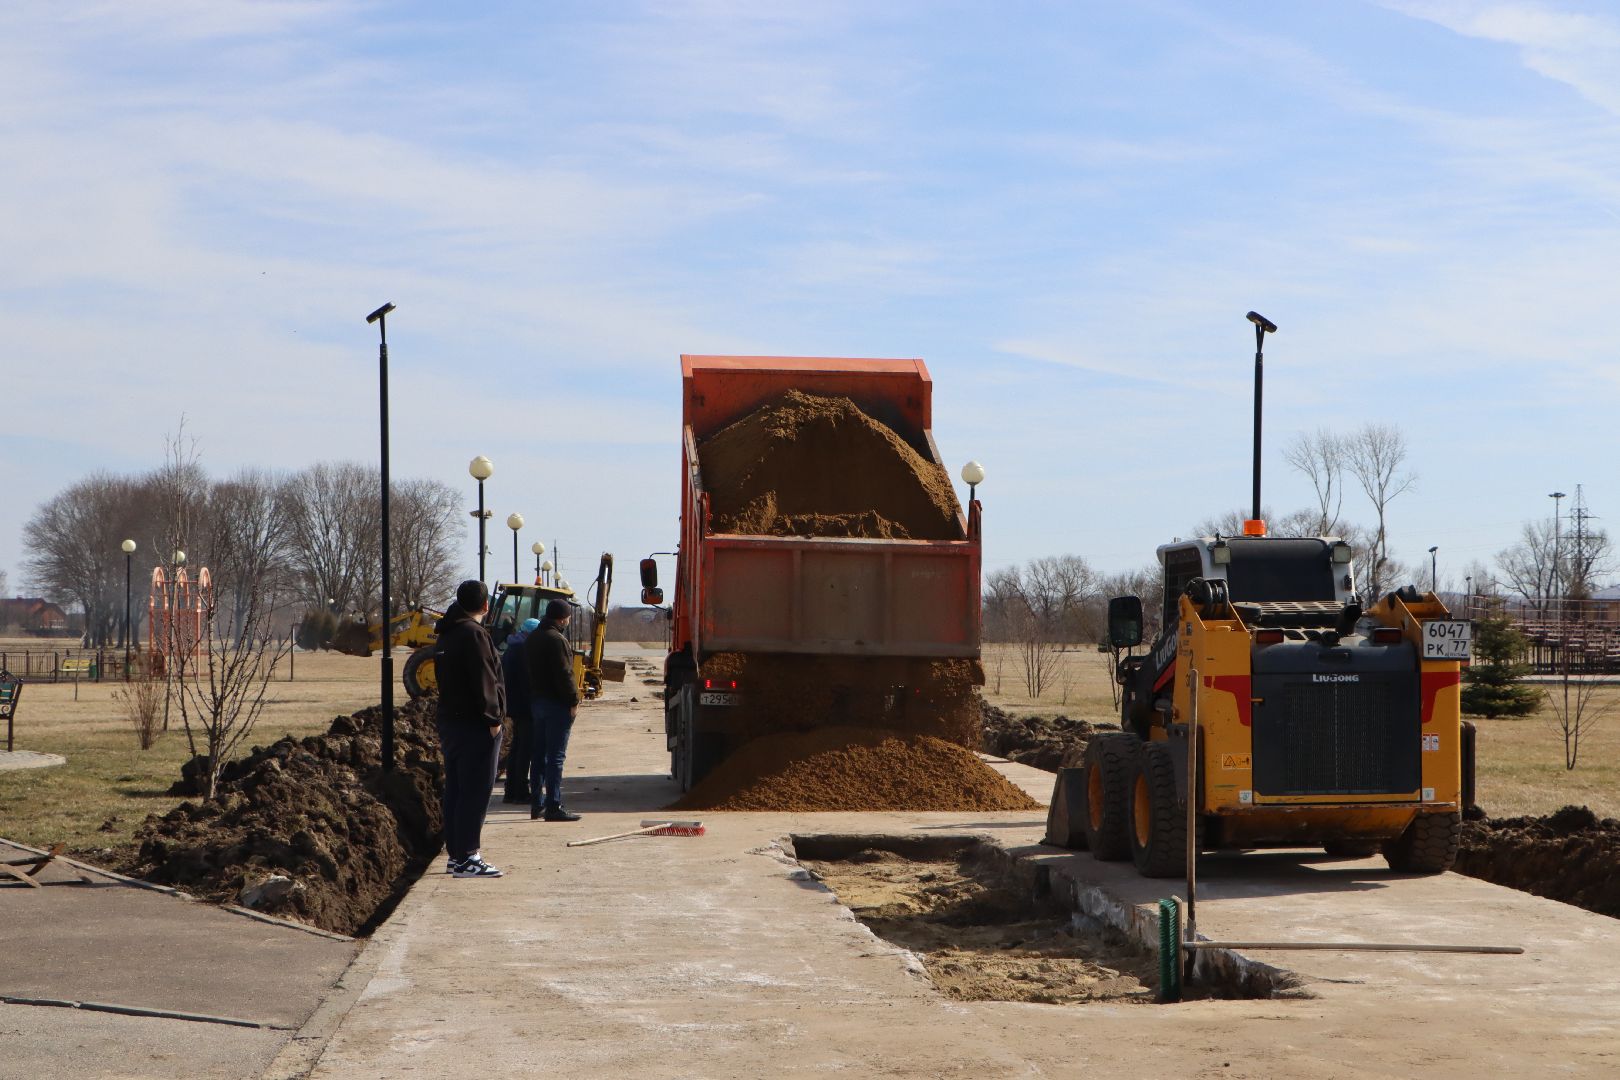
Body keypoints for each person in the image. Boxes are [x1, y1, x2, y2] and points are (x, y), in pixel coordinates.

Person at [433, 580, 506, 878]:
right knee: (476, 790)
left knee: (457, 790)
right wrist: (494, 719)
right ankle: (468, 856)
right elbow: (484, 679)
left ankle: (456, 853)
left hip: (451, 721)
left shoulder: (447, 633)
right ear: (486, 605)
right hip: (475, 725)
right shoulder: (474, 634)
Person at [524, 598, 582, 821]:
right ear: (562, 617)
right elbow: (564, 674)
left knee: (538, 756)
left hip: (537, 702)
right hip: (556, 705)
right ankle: (553, 806)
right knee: (555, 757)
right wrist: (573, 700)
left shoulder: (533, 638)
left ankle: (536, 804)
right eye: (567, 617)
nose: (568, 620)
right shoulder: (556, 639)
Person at [500, 617, 541, 804]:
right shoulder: (523, 650)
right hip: (525, 706)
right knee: (526, 750)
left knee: (517, 747)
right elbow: (528, 682)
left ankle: (510, 790)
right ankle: (521, 791)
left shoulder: (511, 648)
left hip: (514, 705)